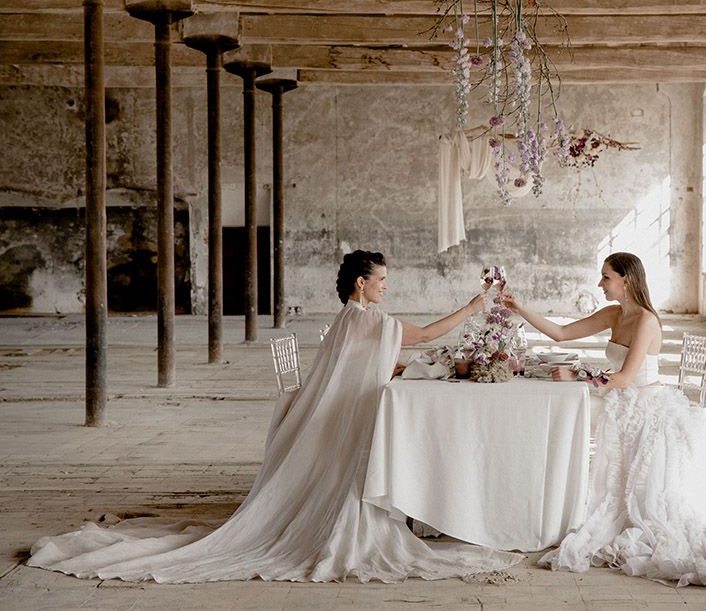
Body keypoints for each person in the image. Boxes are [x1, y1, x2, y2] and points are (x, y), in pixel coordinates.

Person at [27, 250, 522, 583]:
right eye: (382, 281)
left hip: (333, 411)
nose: (386, 288)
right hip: (347, 417)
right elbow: (421, 336)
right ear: (361, 283)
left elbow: (369, 358)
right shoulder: (369, 319)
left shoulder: (353, 319)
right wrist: (473, 306)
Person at [501, 252, 706, 589]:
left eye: (606, 277)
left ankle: (554, 495)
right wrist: (520, 308)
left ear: (626, 280)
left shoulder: (646, 321)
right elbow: (562, 333)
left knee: (574, 414)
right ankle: (546, 499)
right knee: (566, 410)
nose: (600, 283)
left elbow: (623, 378)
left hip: (646, 407)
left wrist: (578, 377)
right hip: (621, 400)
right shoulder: (614, 313)